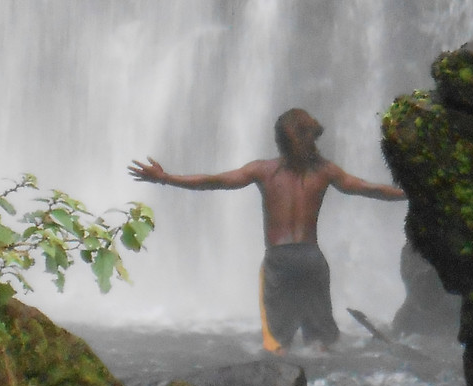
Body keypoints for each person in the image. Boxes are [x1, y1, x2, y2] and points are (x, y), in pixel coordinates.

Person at [128, 108, 406, 354]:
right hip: (311, 259)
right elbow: (371, 189)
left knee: (277, 344)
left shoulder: (264, 171)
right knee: (321, 343)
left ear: (280, 140)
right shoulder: (326, 172)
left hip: (279, 261)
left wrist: (166, 179)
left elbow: (215, 181)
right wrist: (410, 194)